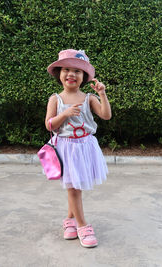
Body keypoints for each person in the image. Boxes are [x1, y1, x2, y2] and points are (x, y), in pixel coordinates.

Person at [45, 49, 111, 248]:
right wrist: (64, 114)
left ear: (84, 77)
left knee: (76, 185)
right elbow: (49, 125)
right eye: (66, 69)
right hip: (66, 148)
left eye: (77, 71)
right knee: (73, 187)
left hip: (85, 147)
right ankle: (82, 225)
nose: (71, 74)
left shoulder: (89, 98)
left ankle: (70, 220)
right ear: (59, 74)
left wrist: (102, 94)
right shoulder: (55, 99)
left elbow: (105, 115)